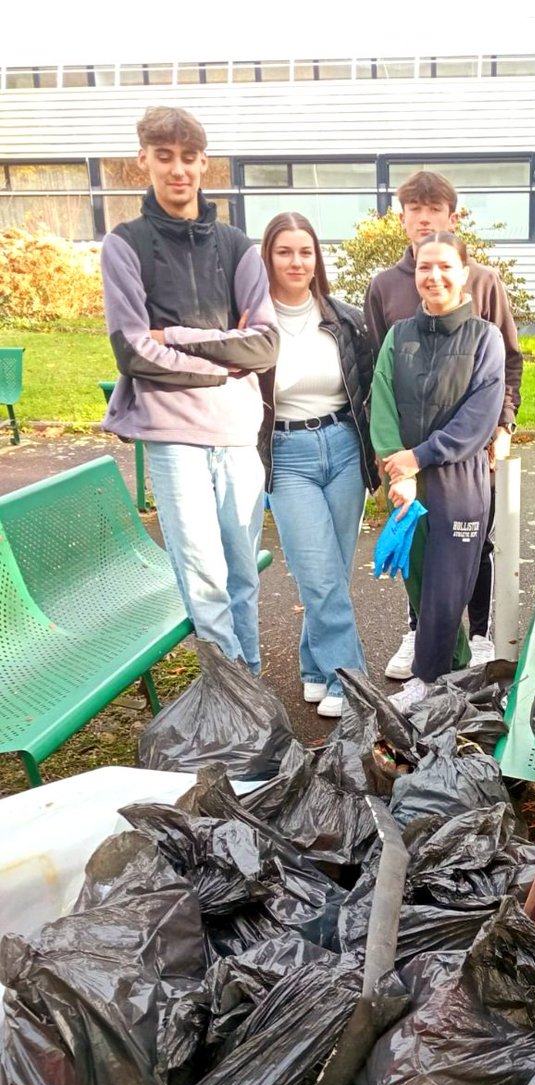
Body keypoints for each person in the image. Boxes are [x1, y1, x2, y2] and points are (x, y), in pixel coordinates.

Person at [101, 106, 278, 673]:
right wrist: (220, 364)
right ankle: (232, 691)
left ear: (205, 162)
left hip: (234, 433)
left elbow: (265, 345)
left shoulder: (237, 246)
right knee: (203, 574)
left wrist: (175, 337)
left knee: (242, 569)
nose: (178, 170)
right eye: (163, 157)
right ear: (143, 161)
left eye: (187, 158)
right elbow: (133, 351)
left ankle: (246, 682)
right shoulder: (125, 246)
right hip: (172, 435)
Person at [364, 170, 522, 678]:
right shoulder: (396, 320)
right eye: (425, 268)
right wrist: (398, 465)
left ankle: (458, 657)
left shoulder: (484, 333)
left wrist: (501, 428)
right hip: (407, 473)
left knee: (456, 574)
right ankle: (437, 661)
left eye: (445, 267)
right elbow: (380, 392)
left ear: (464, 269)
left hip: (460, 473)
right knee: (419, 574)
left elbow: (487, 398)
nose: (434, 276)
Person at [257, 213, 379, 719]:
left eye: (305, 251)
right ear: (268, 256)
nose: (296, 261)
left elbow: (370, 386)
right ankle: (350, 680)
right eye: (284, 251)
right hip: (287, 455)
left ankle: (313, 666)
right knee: (319, 573)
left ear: (317, 257)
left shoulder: (344, 318)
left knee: (333, 571)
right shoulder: (252, 321)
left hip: (344, 445)